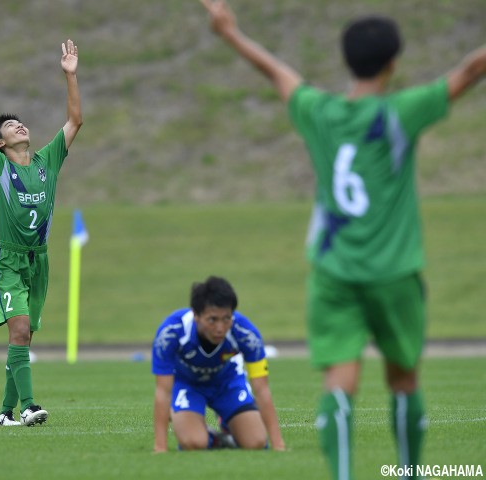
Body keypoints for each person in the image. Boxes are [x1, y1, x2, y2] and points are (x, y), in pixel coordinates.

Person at [199, 1, 486, 478]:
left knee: (339, 383)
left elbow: (277, 72)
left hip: (334, 274)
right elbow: (473, 67)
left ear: (345, 59)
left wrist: (230, 33)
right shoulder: (403, 111)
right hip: (395, 272)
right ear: (394, 63)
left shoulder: (320, 111)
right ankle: (410, 473)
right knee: (403, 379)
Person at [0, 38, 83, 427]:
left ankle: (4, 412)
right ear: (0, 143)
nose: (19, 125)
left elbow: (75, 121)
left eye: (19, 122)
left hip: (39, 260)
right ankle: (30, 405)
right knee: (18, 328)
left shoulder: (48, 159)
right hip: (10, 260)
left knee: (24, 335)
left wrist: (71, 75)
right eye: (10, 126)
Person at [152, 276, 286, 453]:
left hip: (228, 382)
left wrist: (278, 445)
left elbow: (261, 389)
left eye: (226, 318)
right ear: (196, 315)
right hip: (188, 385)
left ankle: (228, 422)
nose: (220, 328)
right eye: (212, 319)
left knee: (256, 443)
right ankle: (211, 436)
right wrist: (160, 447)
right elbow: (163, 390)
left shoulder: (246, 334)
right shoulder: (170, 333)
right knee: (194, 443)